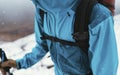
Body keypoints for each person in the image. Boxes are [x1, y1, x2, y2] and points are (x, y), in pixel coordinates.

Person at [0, 0, 118, 75]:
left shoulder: (97, 15)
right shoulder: (42, 11)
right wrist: (18, 63)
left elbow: (105, 70)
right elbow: (43, 45)